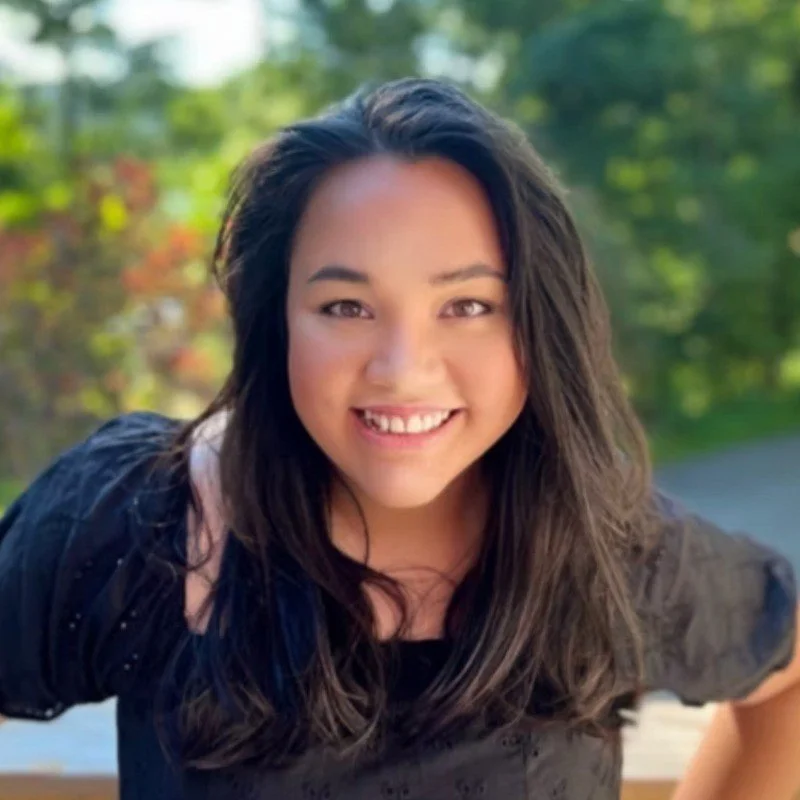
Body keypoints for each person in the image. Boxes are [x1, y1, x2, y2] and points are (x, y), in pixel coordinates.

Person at [0, 77, 798, 800]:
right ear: (277, 321)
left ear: (538, 323)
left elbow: (787, 674)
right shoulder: (135, 520)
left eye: (468, 305)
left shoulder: (606, 543)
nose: (402, 370)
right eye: (346, 307)